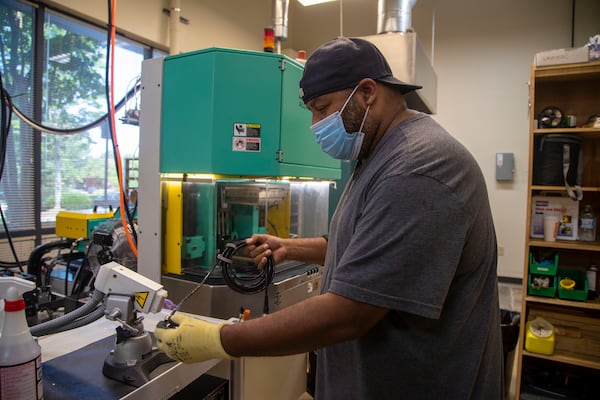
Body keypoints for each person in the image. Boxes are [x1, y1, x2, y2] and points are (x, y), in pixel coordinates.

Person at [154, 36, 504, 399]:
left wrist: (220, 338)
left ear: (367, 92)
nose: (315, 124)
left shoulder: (417, 167)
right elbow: (368, 248)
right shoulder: (378, 155)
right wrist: (288, 247)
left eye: (322, 108)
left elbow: (350, 312)